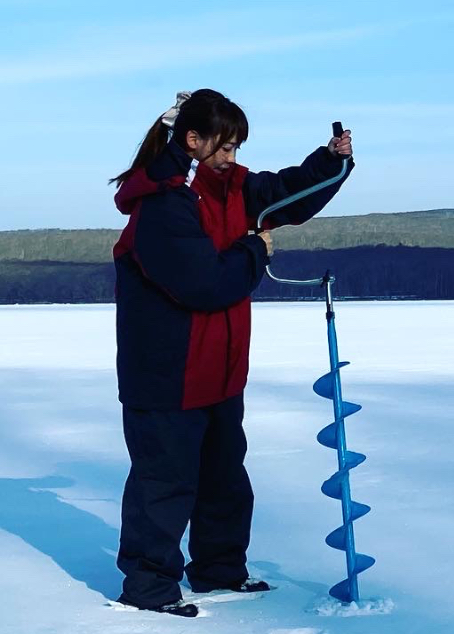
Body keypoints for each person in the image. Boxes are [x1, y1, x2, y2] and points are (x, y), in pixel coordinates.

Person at [109, 89, 354, 618]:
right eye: (224, 145)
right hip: (167, 375)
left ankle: (220, 569)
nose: (232, 156)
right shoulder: (162, 204)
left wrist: (330, 161)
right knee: (164, 484)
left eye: (237, 146)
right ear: (192, 140)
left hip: (220, 371)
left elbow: (286, 193)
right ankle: (149, 586)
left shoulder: (232, 187)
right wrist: (254, 249)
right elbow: (203, 283)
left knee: (224, 478)